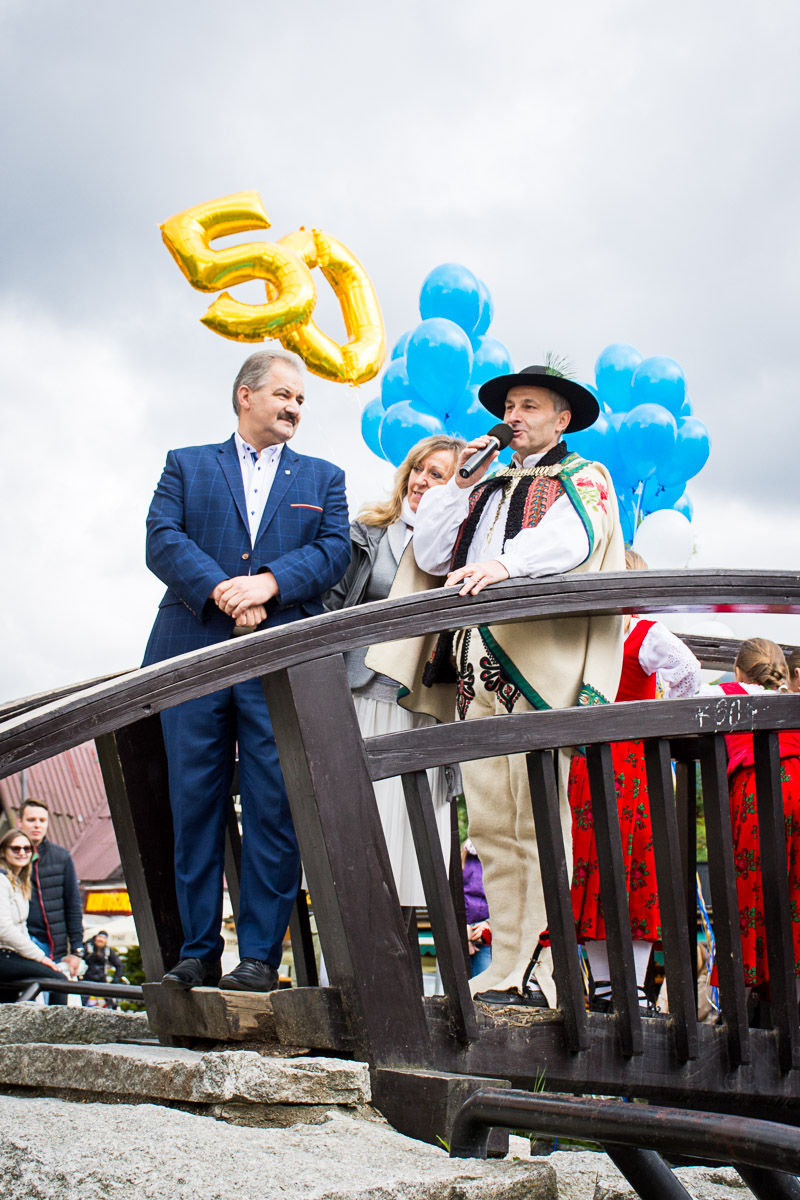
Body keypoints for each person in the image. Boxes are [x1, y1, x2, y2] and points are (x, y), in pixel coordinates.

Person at [367, 363, 625, 1006]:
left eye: (529, 406)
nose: (514, 417)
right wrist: (458, 484)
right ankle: (506, 964)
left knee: (536, 821)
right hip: (475, 675)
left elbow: (572, 541)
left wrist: (505, 564)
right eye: (510, 406)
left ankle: (541, 969)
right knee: (489, 827)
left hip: (537, 675)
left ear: (562, 419)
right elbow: (431, 554)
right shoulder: (486, 481)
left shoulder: (583, 478)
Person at [144, 350, 351, 993]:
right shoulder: (186, 464)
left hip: (279, 660)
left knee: (274, 805)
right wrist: (222, 591)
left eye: (301, 400)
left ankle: (259, 957)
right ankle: (197, 953)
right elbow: (162, 538)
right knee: (193, 804)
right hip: (191, 652)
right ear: (245, 396)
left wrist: (267, 584)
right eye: (284, 395)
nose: (294, 408)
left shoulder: (324, 477)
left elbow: (334, 552)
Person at [325, 434, 465, 907]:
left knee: (409, 842)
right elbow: (329, 609)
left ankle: (398, 953)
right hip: (361, 695)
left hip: (423, 705)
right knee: (357, 827)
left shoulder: (465, 547)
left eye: (437, 474)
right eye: (417, 469)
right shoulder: (368, 533)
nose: (421, 481)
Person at [568, 548, 702, 1013]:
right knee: (612, 868)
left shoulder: (621, 633)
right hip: (608, 763)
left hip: (610, 762)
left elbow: (689, 672)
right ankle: (618, 987)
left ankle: (621, 986)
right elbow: (689, 673)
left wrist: (659, 717)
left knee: (612, 866)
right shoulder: (617, 632)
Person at [703, 638, 800, 990]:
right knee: (795, 890)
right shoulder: (791, 698)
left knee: (749, 890)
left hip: (755, 790)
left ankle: (745, 990)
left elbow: (676, 701)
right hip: (797, 781)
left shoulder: (722, 694)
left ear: (738, 671)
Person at [17, 798, 84, 1002]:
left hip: (54, 946)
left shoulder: (61, 857)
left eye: (42, 820)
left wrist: (77, 950)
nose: (37, 825)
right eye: (31, 820)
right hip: (21, 942)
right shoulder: (9, 857)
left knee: (57, 1002)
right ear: (20, 822)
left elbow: (73, 906)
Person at [0, 829, 64, 998]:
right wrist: (39, 957)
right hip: (4, 955)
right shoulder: (1, 881)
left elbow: (22, 928)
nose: (22, 853)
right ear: (3, 852)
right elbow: (4, 928)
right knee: (59, 981)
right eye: (15, 848)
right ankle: (58, 1018)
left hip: (11, 955)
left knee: (10, 1001)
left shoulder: (18, 883)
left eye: (27, 849)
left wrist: (34, 957)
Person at [462, 838, 491, 978]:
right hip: (466, 927)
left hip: (486, 932)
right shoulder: (465, 854)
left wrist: (490, 924)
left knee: (484, 977)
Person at [82, 931, 124, 1005]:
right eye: (99, 937)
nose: (101, 940)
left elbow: (119, 965)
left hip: (102, 981)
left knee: (111, 1004)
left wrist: (115, 981)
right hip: (86, 981)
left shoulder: (108, 951)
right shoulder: (88, 948)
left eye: (103, 938)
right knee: (82, 1002)